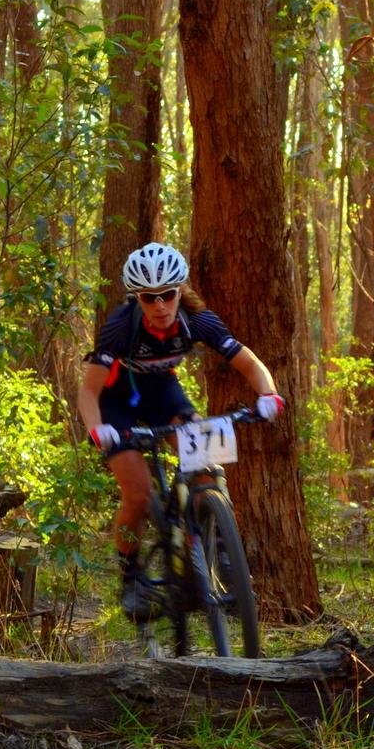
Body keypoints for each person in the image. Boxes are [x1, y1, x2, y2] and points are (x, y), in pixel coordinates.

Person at [78, 242, 285, 619]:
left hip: (162, 394)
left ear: (180, 290)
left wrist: (268, 395)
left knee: (207, 462)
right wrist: (98, 430)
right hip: (117, 403)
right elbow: (89, 391)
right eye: (149, 297)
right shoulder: (121, 327)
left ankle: (223, 558)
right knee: (138, 494)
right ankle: (131, 577)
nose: (160, 305)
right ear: (137, 298)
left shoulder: (198, 320)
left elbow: (249, 362)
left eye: (167, 295)